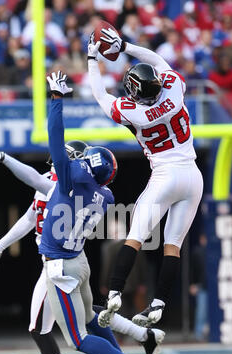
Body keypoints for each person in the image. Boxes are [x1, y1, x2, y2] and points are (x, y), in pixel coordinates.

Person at [0, 80, 165, 354]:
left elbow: (51, 150)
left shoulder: (64, 185)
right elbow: (68, 175)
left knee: (77, 338)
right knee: (91, 319)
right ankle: (133, 349)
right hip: (79, 261)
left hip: (60, 268)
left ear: (80, 168)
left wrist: (56, 100)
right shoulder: (105, 195)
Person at [87, 27, 203, 329]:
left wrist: (91, 58)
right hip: (193, 175)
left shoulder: (135, 113)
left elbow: (100, 94)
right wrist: (125, 44)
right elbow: (157, 59)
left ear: (135, 91)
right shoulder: (175, 90)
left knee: (135, 237)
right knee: (172, 245)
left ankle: (114, 293)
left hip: (164, 176)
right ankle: (159, 303)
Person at [189, 234, 208, 341]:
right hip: (202, 286)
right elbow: (193, 270)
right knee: (201, 311)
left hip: (214, 287)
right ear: (202, 239)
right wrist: (192, 284)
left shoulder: (215, 252)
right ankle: (199, 334)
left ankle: (209, 333)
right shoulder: (198, 252)